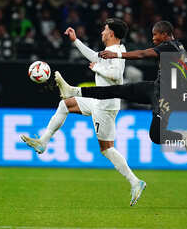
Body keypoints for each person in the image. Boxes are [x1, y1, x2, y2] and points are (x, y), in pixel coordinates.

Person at [20, 18, 146, 206]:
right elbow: (95, 57)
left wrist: (98, 70)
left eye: (105, 29)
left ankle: (135, 182)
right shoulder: (115, 51)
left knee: (107, 148)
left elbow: (116, 76)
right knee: (66, 105)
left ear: (111, 33)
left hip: (105, 104)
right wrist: (75, 40)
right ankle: (43, 142)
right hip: (98, 100)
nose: (102, 32)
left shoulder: (116, 52)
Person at [54, 21, 187, 160]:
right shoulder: (179, 46)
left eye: (155, 35)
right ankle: (72, 91)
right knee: (115, 90)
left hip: (166, 97)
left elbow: (142, 54)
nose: (153, 38)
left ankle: (183, 136)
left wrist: (117, 55)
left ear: (165, 34)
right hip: (154, 88)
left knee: (156, 136)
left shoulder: (169, 47)